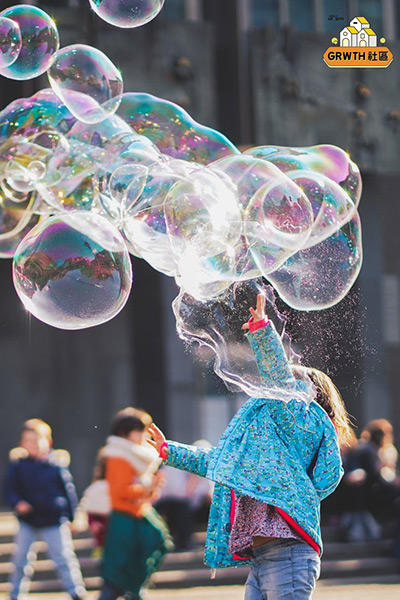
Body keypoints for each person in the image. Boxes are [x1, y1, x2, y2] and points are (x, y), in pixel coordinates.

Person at [148, 294, 352, 600]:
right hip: (262, 557)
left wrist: (262, 331)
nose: (269, 391)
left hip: (289, 555)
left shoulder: (300, 423)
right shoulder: (266, 451)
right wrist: (169, 451)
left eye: (288, 385)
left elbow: (280, 383)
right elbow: (219, 462)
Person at [3, 418, 86, 600]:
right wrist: (18, 503)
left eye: (37, 440)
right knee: (21, 560)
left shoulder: (56, 466)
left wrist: (72, 517)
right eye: (29, 441)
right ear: (22, 444)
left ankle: (76, 591)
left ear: (48, 441)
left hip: (53, 520)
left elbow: (68, 492)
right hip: (28, 521)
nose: (33, 445)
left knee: (64, 558)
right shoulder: (18, 466)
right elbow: (10, 490)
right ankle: (15, 593)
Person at [98, 407, 173, 600]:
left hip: (137, 513)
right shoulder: (118, 455)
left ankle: (135, 589)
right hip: (124, 516)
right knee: (118, 569)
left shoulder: (136, 455)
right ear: (125, 432)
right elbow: (120, 491)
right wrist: (148, 489)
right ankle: (134, 589)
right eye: (139, 430)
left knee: (155, 544)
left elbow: (143, 492)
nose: (142, 435)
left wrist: (152, 488)